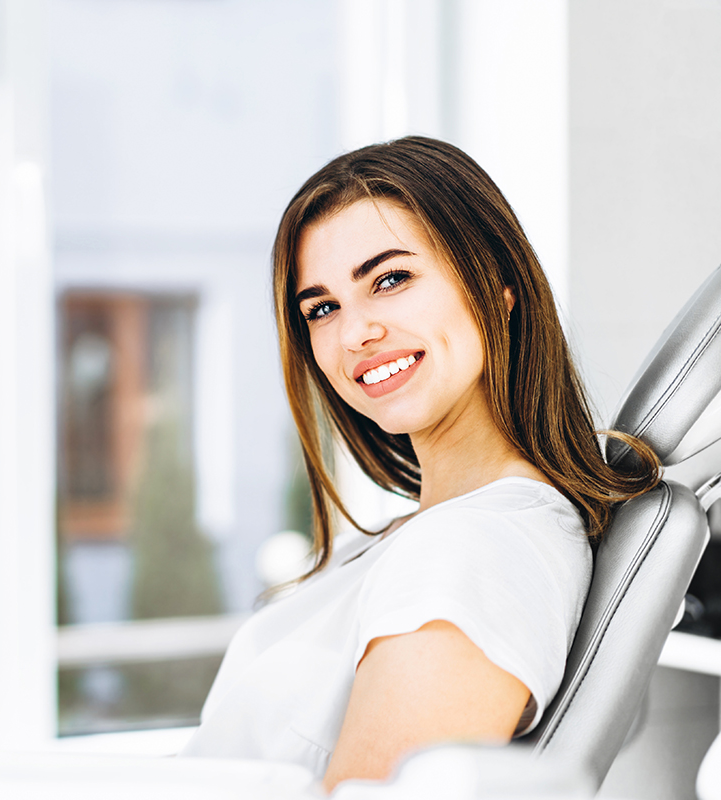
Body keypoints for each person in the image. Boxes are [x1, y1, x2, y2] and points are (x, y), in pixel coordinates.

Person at [178, 136, 660, 791]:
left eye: (391, 279)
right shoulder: (430, 536)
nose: (354, 334)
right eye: (321, 308)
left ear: (496, 280)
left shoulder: (476, 550)